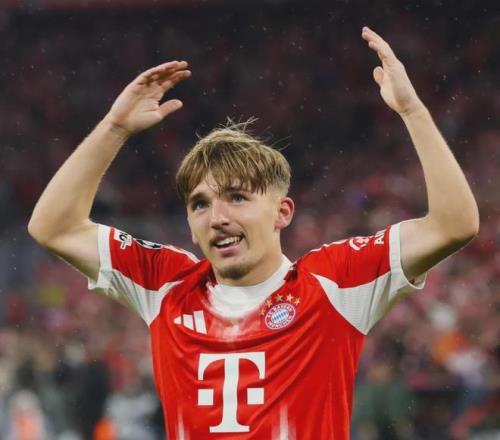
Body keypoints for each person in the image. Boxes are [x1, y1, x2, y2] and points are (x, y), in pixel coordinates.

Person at [28, 27, 479, 439]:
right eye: (200, 204)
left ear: (282, 212)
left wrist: (412, 110)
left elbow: (453, 225)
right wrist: (114, 128)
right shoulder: (166, 284)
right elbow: (53, 226)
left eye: (237, 197)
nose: (217, 217)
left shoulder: (334, 282)